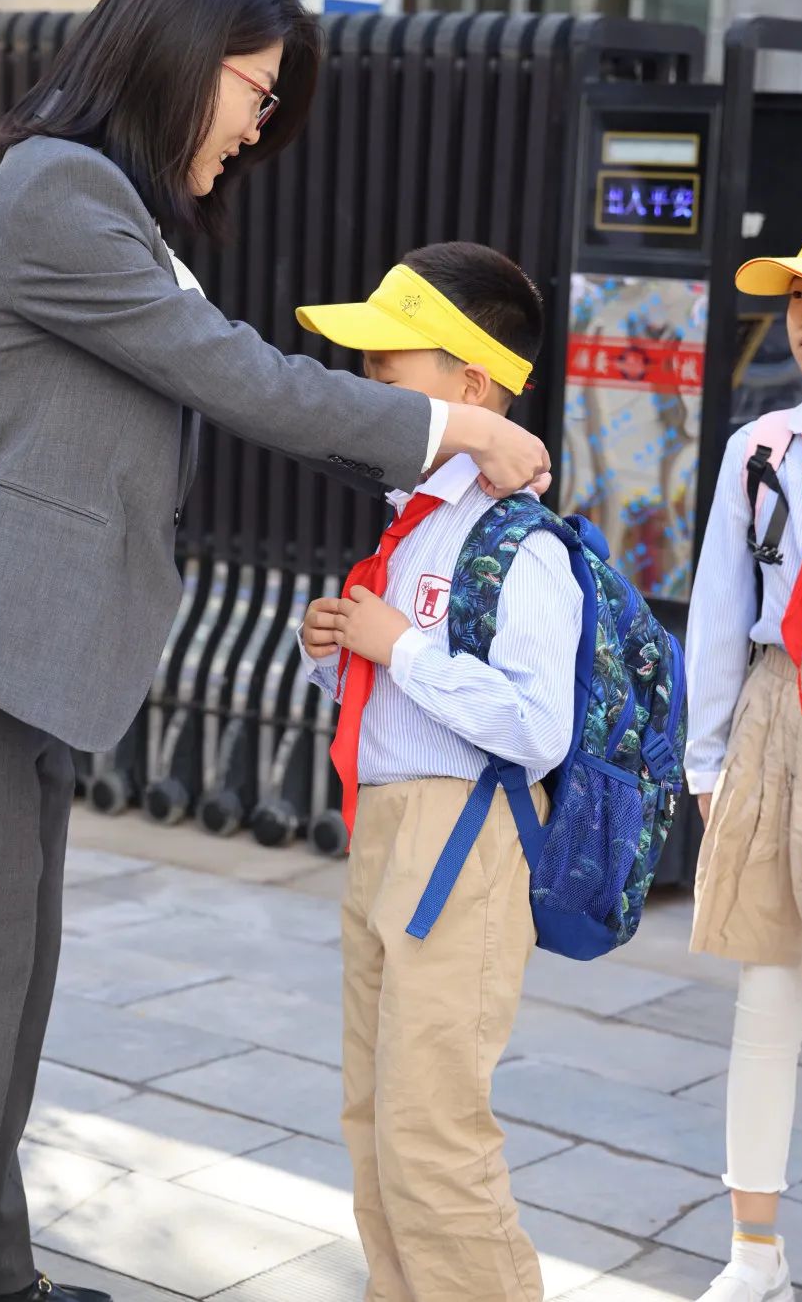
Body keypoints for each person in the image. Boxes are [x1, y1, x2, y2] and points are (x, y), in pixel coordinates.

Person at [0, 0, 549, 1302]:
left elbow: (220, 384)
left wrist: (435, 450)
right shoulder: (60, 191)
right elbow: (231, 372)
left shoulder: (109, 211)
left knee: (4, 995)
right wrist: (450, 422)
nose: (258, 129)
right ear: (178, 61)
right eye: (256, 91)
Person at [297, 242, 581, 1302]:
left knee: (433, 1135)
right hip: (388, 834)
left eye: (388, 367)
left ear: (472, 386)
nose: (366, 388)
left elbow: (536, 727)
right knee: (374, 1123)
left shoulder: (520, 543)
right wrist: (336, 651)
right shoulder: (411, 527)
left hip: (462, 842)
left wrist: (395, 647)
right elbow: (391, 694)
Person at [685, 213, 802, 1302]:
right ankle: (752, 1248)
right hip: (773, 711)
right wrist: (707, 761)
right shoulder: (760, 450)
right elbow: (719, 607)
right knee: (768, 990)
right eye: (799, 293)